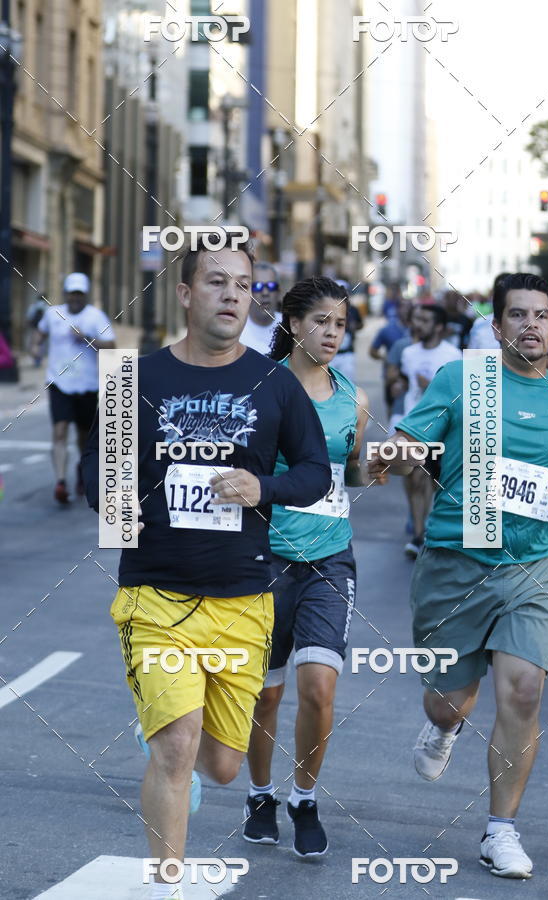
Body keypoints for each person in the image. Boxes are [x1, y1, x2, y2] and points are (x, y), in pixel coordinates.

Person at [82, 236, 332, 900]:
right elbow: (96, 470)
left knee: (221, 766)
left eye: (243, 285)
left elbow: (315, 473)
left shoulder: (275, 383)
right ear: (186, 293)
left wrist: (264, 489)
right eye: (216, 282)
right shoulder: (137, 379)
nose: (231, 295)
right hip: (156, 595)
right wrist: (114, 506)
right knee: (177, 748)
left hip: (244, 601)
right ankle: (169, 885)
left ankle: (176, 736)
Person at [369, 272, 548, 880]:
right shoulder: (461, 380)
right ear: (495, 327)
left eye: (541, 316)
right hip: (454, 563)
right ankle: (441, 727)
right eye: (517, 315)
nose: (531, 324)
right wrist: (392, 454)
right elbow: (409, 440)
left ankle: (501, 831)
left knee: (524, 690)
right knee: (450, 703)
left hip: (532, 567)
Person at [242, 276, 383, 857]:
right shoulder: (260, 389)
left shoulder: (354, 397)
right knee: (267, 695)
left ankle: (304, 798)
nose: (331, 333)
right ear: (293, 324)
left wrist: (369, 471)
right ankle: (258, 793)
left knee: (319, 688)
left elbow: (347, 473)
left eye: (341, 324)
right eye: (321, 321)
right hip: (265, 558)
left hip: (330, 557)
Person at [31, 273, 116, 504]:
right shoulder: (53, 314)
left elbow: (111, 345)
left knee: (82, 437)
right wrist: (36, 347)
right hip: (59, 383)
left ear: (85, 294)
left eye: (79, 293)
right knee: (59, 431)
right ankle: (60, 481)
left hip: (86, 385)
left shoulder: (95, 317)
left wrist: (87, 338)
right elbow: (40, 333)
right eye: (71, 293)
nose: (75, 298)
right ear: (66, 294)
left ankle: (80, 468)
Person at [394, 304, 461, 557]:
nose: (418, 324)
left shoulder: (453, 355)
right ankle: (418, 536)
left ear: (439, 327)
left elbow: (458, 394)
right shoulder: (409, 353)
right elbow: (406, 381)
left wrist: (432, 386)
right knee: (415, 479)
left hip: (443, 428)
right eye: (417, 319)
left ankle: (433, 529)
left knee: (436, 483)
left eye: (425, 320)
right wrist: (398, 386)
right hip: (415, 425)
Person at [239, 261, 282, 354]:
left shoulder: (291, 328)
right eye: (257, 286)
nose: (265, 293)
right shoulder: (236, 330)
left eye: (271, 286)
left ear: (279, 292)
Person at [331, 279, 364, 380]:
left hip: (347, 353)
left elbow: (360, 324)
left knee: (347, 381)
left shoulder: (353, 309)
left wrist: (355, 326)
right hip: (331, 353)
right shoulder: (327, 309)